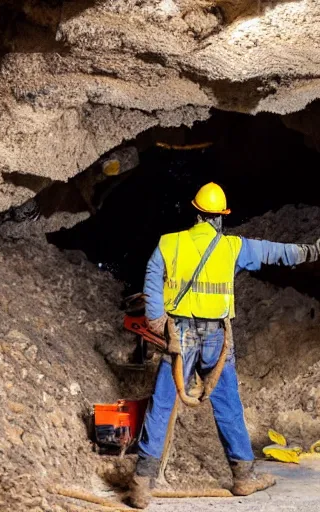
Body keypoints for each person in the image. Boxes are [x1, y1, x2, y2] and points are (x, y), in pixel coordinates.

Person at [129, 182, 320, 509]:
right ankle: (243, 477)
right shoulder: (232, 247)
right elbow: (275, 251)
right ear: (219, 217)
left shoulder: (170, 242)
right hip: (216, 337)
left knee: (162, 402)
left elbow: (151, 279)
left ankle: (141, 485)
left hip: (181, 334)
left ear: (196, 212)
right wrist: (313, 251)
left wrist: (160, 324)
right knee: (228, 403)